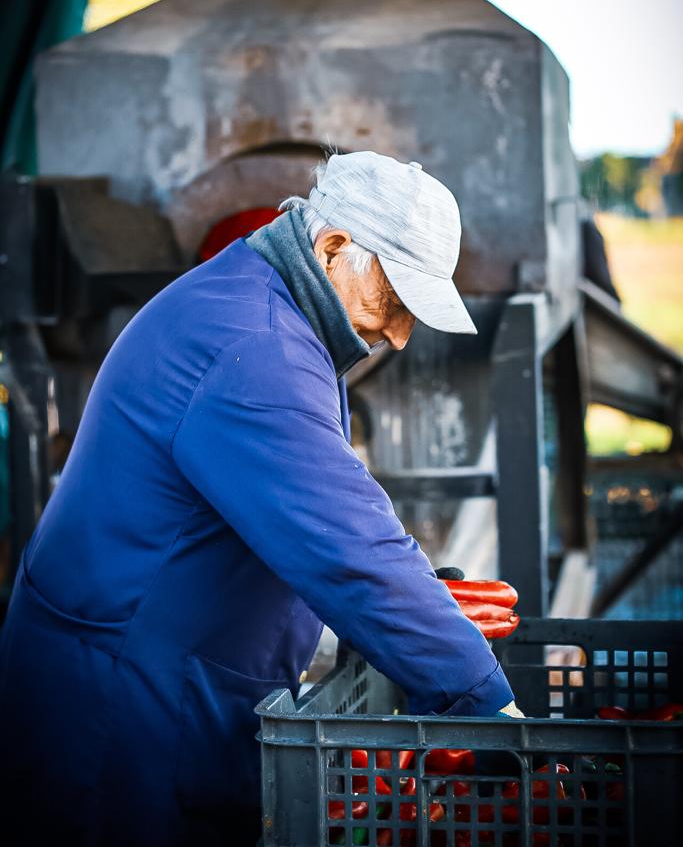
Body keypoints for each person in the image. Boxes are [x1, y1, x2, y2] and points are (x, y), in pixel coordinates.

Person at [0, 151, 520, 846]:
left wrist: (425, 597)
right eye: (394, 300)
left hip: (164, 672)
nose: (397, 334)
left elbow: (323, 505)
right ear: (333, 246)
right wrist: (479, 705)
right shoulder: (254, 346)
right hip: (119, 702)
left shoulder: (266, 303)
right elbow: (345, 546)